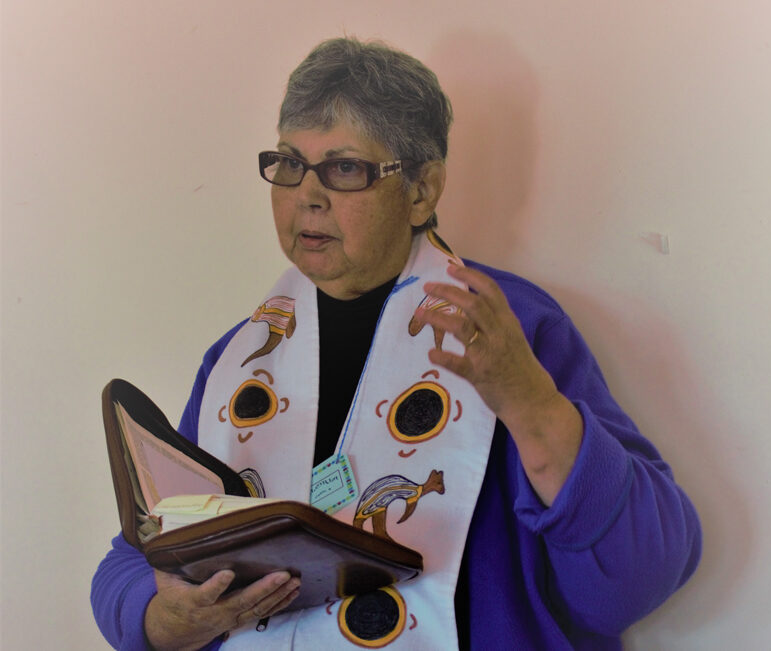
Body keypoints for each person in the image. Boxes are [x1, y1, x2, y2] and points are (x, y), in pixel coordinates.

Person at [91, 37, 701, 650]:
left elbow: (638, 577)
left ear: (420, 190)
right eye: (288, 163)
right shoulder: (241, 357)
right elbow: (138, 557)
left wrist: (529, 401)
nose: (307, 193)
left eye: (344, 167)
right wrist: (165, 619)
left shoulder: (505, 327)